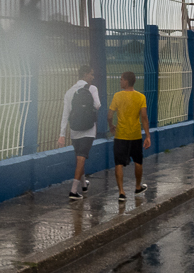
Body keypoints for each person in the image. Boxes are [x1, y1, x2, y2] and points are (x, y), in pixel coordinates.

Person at [57, 64, 101, 201]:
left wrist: (62, 134)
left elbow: (66, 114)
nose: (93, 77)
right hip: (88, 129)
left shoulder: (70, 91)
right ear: (85, 75)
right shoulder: (92, 88)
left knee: (79, 158)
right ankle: (73, 191)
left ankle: (84, 185)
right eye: (91, 74)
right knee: (81, 159)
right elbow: (98, 105)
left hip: (74, 130)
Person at [108, 71, 152, 200]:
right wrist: (148, 136)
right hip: (135, 135)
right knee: (138, 161)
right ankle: (138, 187)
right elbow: (144, 117)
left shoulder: (117, 96)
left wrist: (111, 126)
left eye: (121, 79)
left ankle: (121, 192)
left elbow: (109, 115)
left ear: (126, 81)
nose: (120, 81)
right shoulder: (140, 97)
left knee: (118, 163)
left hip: (120, 135)